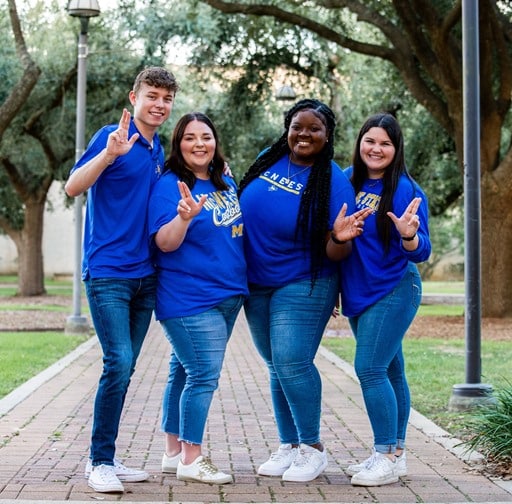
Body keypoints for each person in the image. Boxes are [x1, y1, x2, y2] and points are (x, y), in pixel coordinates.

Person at [238, 98, 371, 483]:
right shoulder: (269, 157)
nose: (304, 134)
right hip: (256, 282)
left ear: (327, 136)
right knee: (275, 364)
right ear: (287, 127)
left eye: (314, 129)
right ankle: (289, 444)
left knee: (292, 360)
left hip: (305, 281)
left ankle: (312, 448)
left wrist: (338, 236)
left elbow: (336, 251)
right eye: (298, 126)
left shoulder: (333, 181)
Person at [64, 67, 179, 493]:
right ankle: (98, 462)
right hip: (109, 272)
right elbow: (74, 187)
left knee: (124, 369)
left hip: (145, 276)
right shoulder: (113, 136)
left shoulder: (156, 149)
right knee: (119, 363)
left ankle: (109, 456)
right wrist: (108, 155)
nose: (159, 105)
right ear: (134, 97)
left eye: (166, 99)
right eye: (152, 95)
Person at [147, 112, 248, 485]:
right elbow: (164, 243)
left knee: (182, 371)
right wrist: (185, 218)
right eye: (190, 138)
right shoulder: (170, 185)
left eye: (206, 136)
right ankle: (192, 456)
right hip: (189, 298)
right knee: (204, 374)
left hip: (228, 294)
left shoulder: (224, 180)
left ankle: (173, 453)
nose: (199, 143)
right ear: (179, 144)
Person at [335, 112, 432, 487]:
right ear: (360, 143)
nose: (376, 149)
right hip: (359, 290)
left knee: (370, 368)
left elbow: (422, 249)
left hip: (394, 287)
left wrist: (409, 235)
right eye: (370, 141)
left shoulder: (406, 189)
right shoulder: (345, 180)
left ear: (396, 149)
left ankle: (384, 453)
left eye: (385, 143)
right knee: (391, 371)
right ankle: (397, 455)